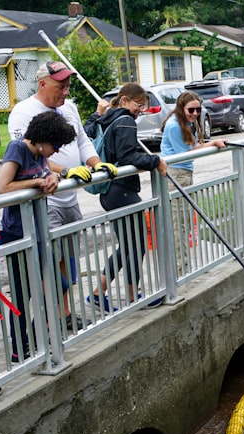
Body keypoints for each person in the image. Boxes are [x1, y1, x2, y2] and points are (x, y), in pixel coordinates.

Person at [8, 60, 114, 332]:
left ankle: (64, 314)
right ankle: (47, 320)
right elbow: (31, 155)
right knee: (50, 264)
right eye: (60, 86)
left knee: (68, 259)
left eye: (68, 85)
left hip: (70, 198)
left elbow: (82, 140)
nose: (66, 91)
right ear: (43, 84)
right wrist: (65, 171)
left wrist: (95, 163)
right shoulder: (24, 112)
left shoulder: (69, 108)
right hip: (48, 199)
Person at [0, 111, 77, 362]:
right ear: (43, 138)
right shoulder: (17, 149)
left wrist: (53, 175)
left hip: (39, 230)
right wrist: (36, 183)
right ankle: (19, 348)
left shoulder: (40, 155)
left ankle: (36, 336)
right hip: (17, 232)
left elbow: (44, 174)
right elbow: (3, 187)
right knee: (22, 294)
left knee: (57, 284)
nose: (56, 151)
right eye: (56, 145)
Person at [86, 84, 168, 311]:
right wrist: (155, 161)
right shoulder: (125, 121)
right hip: (120, 190)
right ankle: (101, 293)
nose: (139, 110)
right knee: (135, 243)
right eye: (138, 105)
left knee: (134, 243)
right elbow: (127, 156)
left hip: (111, 192)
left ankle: (130, 295)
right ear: (124, 100)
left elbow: (87, 132)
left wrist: (97, 113)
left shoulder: (107, 118)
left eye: (143, 106)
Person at [160, 91, 226, 274]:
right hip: (176, 174)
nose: (195, 113)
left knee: (186, 221)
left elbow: (193, 147)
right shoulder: (174, 125)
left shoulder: (186, 123)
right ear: (181, 108)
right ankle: (179, 270)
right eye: (191, 109)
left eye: (198, 109)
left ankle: (183, 267)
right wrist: (213, 143)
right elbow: (189, 152)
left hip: (185, 173)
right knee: (178, 224)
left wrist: (213, 142)